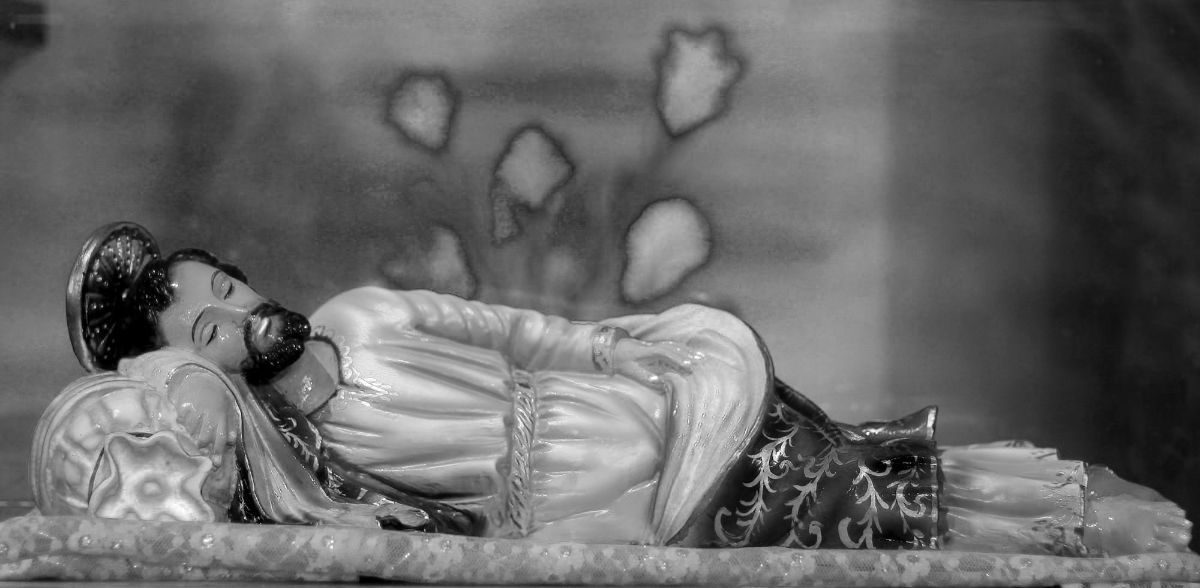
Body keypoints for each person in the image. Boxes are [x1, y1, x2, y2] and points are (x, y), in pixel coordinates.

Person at [45, 222, 1192, 556]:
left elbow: (526, 333)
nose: (245, 314)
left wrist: (625, 353)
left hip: (642, 422)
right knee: (832, 523)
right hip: (584, 516)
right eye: (211, 330)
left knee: (848, 482)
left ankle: (1071, 520)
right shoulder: (302, 468)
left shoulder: (365, 315)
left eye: (228, 288)